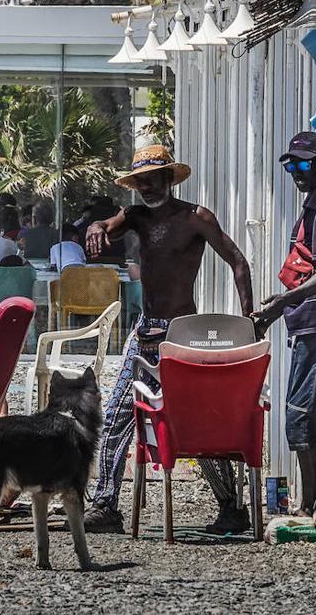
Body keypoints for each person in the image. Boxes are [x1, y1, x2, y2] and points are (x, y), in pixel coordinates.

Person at [83, 145, 256, 535]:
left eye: (150, 178)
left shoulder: (194, 217)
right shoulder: (137, 216)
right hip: (146, 330)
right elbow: (106, 225)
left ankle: (232, 508)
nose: (144, 187)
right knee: (116, 414)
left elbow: (238, 261)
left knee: (200, 421)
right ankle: (105, 505)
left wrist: (250, 320)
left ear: (167, 178)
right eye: (138, 181)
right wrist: (96, 228)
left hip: (182, 334)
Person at [251, 132, 316, 514]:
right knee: (298, 410)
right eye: (290, 166)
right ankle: (309, 497)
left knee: (300, 412)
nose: (297, 172)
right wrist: (275, 311)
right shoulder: (311, 204)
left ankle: (311, 501)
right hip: (300, 321)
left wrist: (284, 301)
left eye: (304, 163)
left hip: (314, 325)